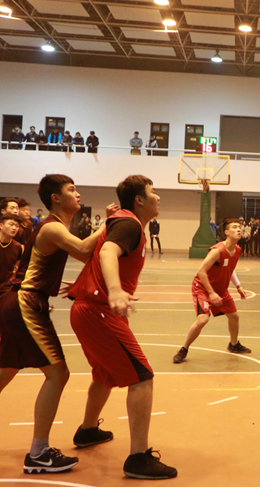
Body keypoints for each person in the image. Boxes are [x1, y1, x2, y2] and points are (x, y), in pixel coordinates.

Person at [0, 175, 111, 475]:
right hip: (26, 303)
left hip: (19, 302)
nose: (78, 194)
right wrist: (108, 222)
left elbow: (80, 258)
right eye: (72, 190)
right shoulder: (51, 227)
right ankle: (38, 453)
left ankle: (39, 451)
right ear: (56, 198)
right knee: (58, 374)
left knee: (6, 371)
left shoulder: (57, 228)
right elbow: (85, 250)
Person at [68, 175, 177, 479]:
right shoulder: (129, 223)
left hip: (87, 309)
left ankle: (88, 430)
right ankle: (138, 458)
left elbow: (93, 253)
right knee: (142, 378)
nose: (158, 197)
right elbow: (106, 253)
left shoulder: (123, 222)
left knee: (104, 375)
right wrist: (115, 290)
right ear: (139, 200)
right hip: (99, 311)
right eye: (153, 192)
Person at [173, 218, 250, 364]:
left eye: (239, 227)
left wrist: (238, 287)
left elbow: (230, 269)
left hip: (220, 289)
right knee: (203, 320)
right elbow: (201, 271)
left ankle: (234, 345)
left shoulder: (237, 250)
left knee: (234, 316)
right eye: (234, 227)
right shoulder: (217, 251)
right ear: (226, 232)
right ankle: (183, 349)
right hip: (203, 288)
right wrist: (211, 293)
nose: (238, 229)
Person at [0, 213, 24, 291]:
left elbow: (17, 267)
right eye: (11, 224)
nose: (14, 228)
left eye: (17, 226)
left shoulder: (18, 247)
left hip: (6, 287)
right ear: (1, 225)